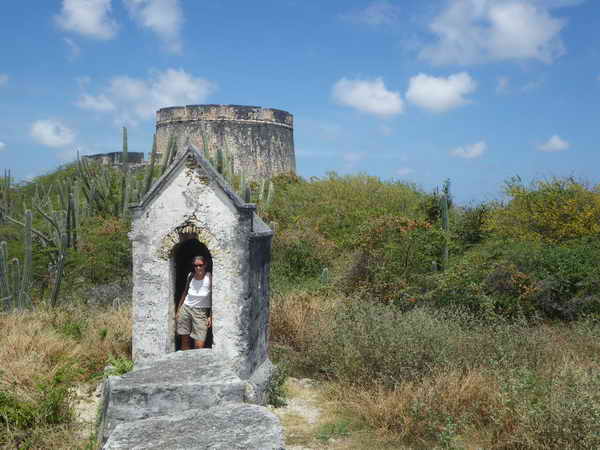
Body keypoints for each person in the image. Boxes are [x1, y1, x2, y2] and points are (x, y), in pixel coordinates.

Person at [175, 255, 212, 350]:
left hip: (201, 312)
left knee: (199, 345)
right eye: (195, 265)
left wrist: (211, 315)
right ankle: (185, 363)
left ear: (205, 265)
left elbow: (214, 296)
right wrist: (179, 310)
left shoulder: (209, 277)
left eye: (200, 265)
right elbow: (185, 292)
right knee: (184, 340)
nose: (198, 268)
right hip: (186, 309)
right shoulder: (190, 275)